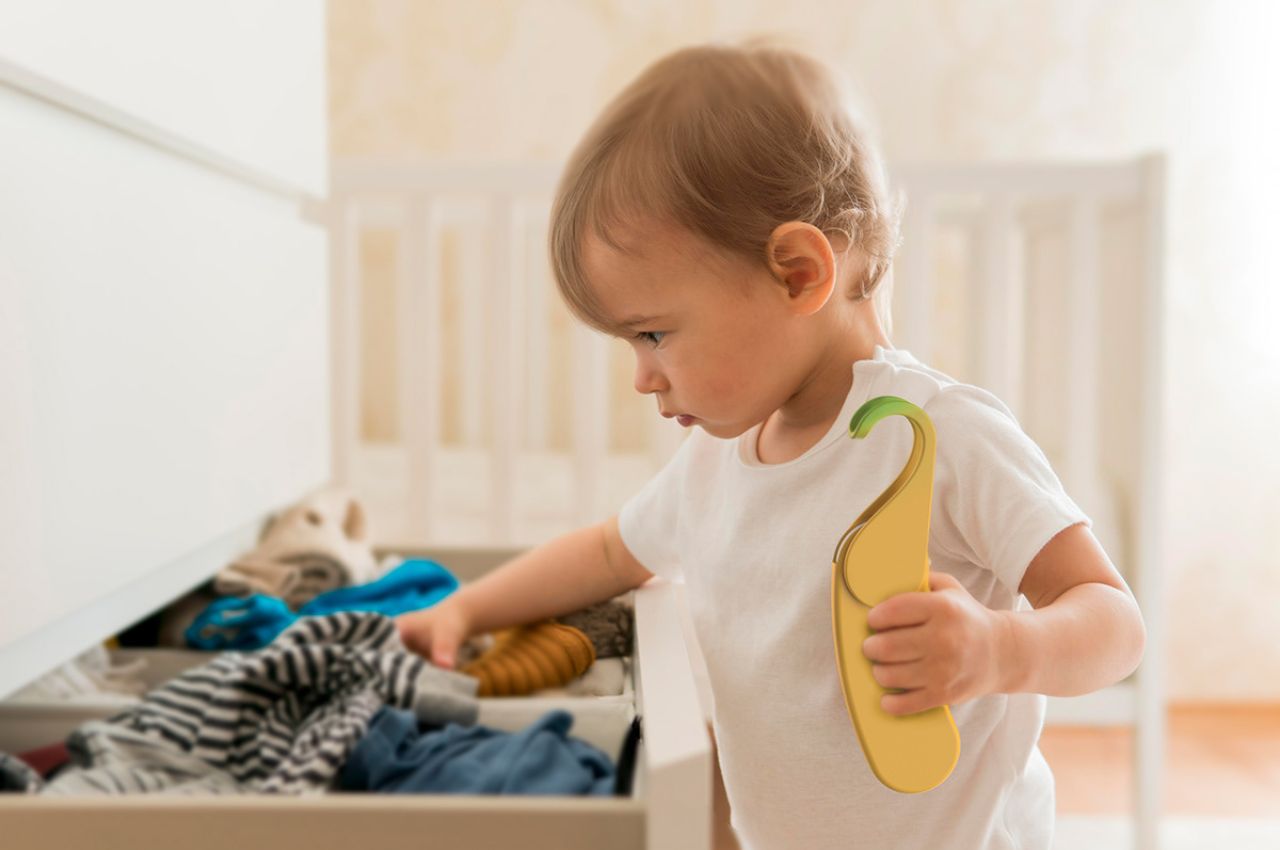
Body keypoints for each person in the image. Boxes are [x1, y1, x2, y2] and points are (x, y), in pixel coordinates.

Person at [396, 40, 1146, 850]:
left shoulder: (940, 435)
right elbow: (611, 552)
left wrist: (1002, 648)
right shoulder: (720, 459)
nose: (643, 377)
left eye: (654, 333)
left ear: (796, 273)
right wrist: (467, 608)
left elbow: (1114, 625)